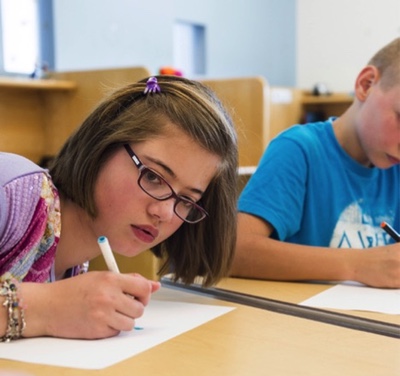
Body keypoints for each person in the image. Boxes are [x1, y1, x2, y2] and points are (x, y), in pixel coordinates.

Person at [0, 75, 238, 341]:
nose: (165, 213)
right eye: (153, 177)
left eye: (186, 201)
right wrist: (47, 308)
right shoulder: (13, 190)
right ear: (103, 144)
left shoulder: (72, 265)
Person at [232, 37, 400, 288]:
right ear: (366, 85)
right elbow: (235, 252)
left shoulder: (394, 166)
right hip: (295, 320)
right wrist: (359, 265)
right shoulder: (299, 150)